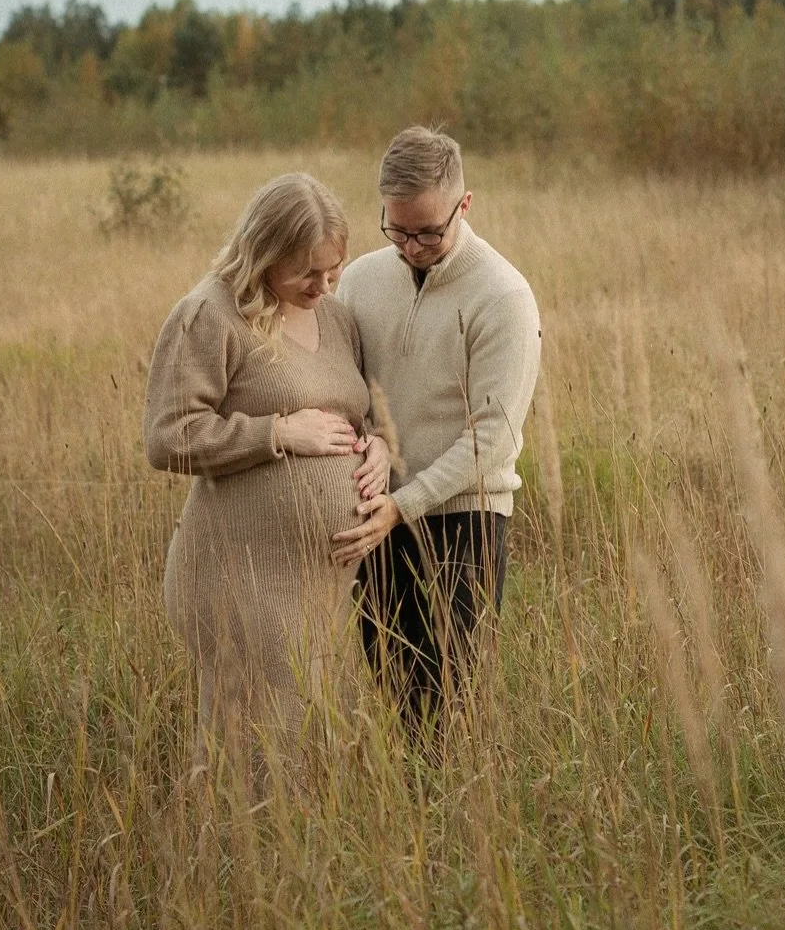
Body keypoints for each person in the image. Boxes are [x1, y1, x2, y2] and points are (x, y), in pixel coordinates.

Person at [144, 172, 390, 778]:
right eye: (308, 271)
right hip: (239, 572)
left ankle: (289, 863)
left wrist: (379, 446)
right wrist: (276, 433)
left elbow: (356, 412)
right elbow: (167, 437)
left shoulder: (335, 318)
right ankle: (230, 858)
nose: (325, 284)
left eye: (334, 269)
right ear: (264, 251)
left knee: (305, 735)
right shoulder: (208, 314)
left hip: (318, 585)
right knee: (253, 744)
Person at [331, 127, 542, 722]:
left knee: (444, 704)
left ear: (464, 205)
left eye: (428, 230)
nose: (412, 245)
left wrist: (408, 503)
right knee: (393, 693)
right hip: (375, 518)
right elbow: (347, 392)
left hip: (464, 522)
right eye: (396, 229)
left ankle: (450, 811)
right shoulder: (360, 280)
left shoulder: (503, 296)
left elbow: (493, 436)